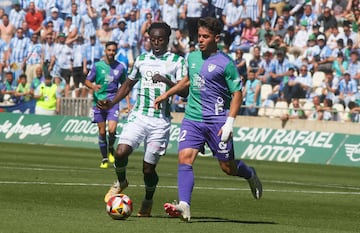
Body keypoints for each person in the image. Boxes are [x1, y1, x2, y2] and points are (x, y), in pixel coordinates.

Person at [154, 17, 262, 222]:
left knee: (227, 168)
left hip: (217, 121)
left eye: (205, 36)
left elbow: (237, 93)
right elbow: (187, 80)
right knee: (185, 158)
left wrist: (230, 122)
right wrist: (167, 94)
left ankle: (250, 174)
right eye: (199, 36)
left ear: (216, 38)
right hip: (193, 118)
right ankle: (184, 205)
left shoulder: (226, 64)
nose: (200, 40)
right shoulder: (192, 57)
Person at [97, 22, 187, 217]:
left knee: (148, 169)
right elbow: (128, 85)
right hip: (138, 116)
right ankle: (121, 181)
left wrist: (166, 81)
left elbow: (186, 91)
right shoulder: (141, 59)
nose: (156, 43)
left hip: (160, 122)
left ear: (167, 39)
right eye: (152, 39)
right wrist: (112, 103)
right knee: (120, 152)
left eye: (160, 39)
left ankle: (148, 200)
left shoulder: (177, 62)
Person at [84, 41, 128, 169]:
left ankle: (110, 148)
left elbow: (125, 86)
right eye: (109, 50)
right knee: (102, 132)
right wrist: (93, 86)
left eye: (113, 50)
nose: (111, 52)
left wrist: (128, 104)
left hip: (112, 102)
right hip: (99, 102)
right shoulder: (97, 66)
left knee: (112, 130)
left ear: (116, 51)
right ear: (105, 51)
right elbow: (87, 81)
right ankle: (104, 158)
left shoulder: (120, 67)